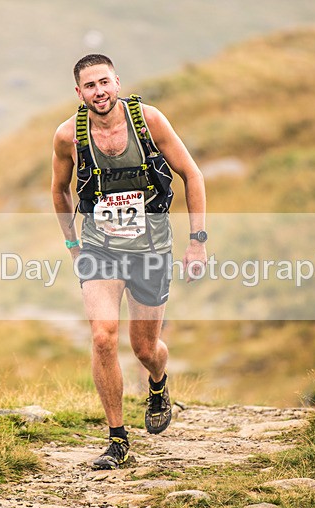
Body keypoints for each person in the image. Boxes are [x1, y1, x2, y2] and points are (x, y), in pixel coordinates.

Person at [51, 54, 207, 470]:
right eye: (90, 86)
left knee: (144, 348)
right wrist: (73, 245)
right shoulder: (68, 135)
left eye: (104, 82)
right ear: (79, 92)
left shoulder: (149, 122)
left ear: (117, 81)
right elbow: (60, 191)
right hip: (100, 250)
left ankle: (158, 383)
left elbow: (192, 175)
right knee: (103, 336)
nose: (99, 92)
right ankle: (117, 439)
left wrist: (197, 242)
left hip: (151, 251)